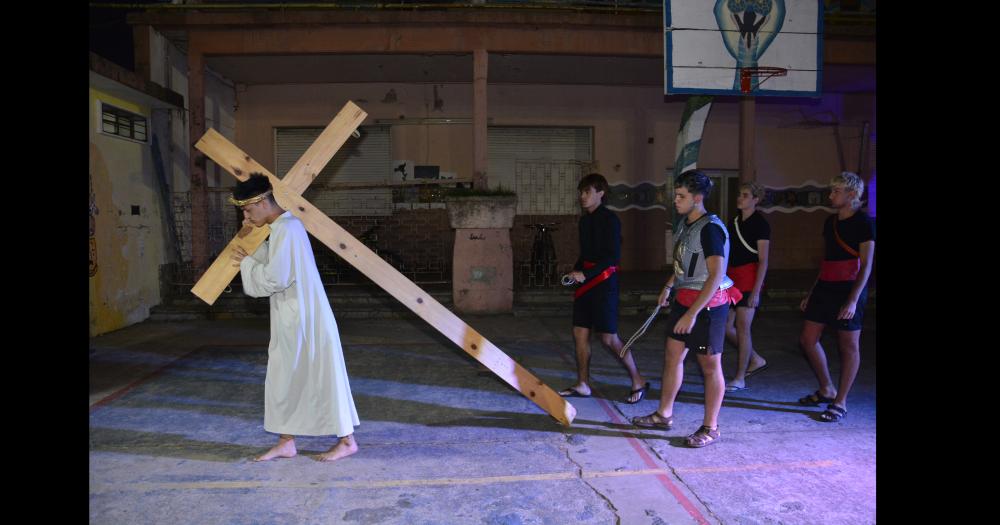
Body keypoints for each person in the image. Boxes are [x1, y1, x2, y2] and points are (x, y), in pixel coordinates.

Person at [229, 173, 360, 462]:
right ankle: (286, 441)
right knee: (283, 378)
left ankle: (347, 441)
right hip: (292, 316)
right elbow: (277, 264)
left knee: (323, 378)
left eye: (249, 210)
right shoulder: (281, 229)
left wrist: (247, 263)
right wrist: (253, 248)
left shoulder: (287, 228)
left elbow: (275, 277)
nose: (247, 215)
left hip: (306, 319)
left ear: (263, 202)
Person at [632, 170, 741, 448]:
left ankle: (711, 427)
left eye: (681, 196)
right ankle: (663, 414)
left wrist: (693, 314)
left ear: (698, 198)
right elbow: (683, 265)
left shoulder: (711, 228)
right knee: (672, 356)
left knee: (709, 366)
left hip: (707, 306)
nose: (676, 201)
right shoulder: (685, 224)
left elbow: (716, 275)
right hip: (684, 299)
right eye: (675, 195)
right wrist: (668, 287)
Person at [558, 173, 649, 404]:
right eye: (581, 192)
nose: (582, 196)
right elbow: (586, 254)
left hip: (604, 284)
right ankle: (583, 384)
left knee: (609, 338)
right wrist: (575, 271)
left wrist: (586, 273)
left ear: (601, 193)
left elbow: (612, 257)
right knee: (579, 333)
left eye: (587, 192)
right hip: (586, 283)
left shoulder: (610, 220)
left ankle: (638, 380)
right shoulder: (584, 220)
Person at [797, 172, 875, 423]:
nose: (831, 195)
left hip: (849, 289)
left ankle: (840, 401)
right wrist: (812, 292)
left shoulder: (864, 223)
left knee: (848, 346)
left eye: (836, 191)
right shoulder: (830, 222)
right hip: (825, 286)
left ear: (852, 195)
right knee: (808, 339)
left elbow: (866, 266)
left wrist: (853, 300)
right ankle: (826, 388)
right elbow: (826, 260)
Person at [723, 181, 771, 392]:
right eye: (739, 194)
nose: (739, 198)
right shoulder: (733, 222)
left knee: (743, 330)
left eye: (744, 195)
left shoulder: (761, 224)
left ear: (755, 199)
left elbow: (763, 260)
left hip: (750, 279)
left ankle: (740, 377)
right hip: (732, 279)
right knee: (725, 328)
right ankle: (755, 359)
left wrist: (756, 291)